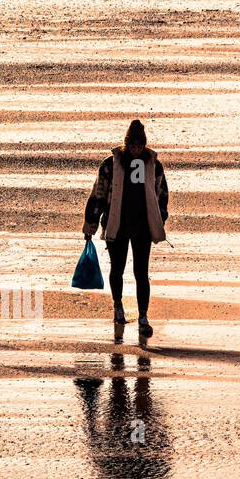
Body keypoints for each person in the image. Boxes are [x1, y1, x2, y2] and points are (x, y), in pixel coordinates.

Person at [82, 119, 168, 337]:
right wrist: (90, 224)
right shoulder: (111, 164)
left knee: (141, 272)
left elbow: (162, 195)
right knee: (117, 269)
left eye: (140, 145)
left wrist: (160, 219)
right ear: (127, 144)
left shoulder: (154, 165)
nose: (136, 149)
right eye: (133, 145)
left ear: (144, 144)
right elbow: (98, 194)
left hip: (142, 227)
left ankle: (143, 315)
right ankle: (118, 306)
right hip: (117, 224)